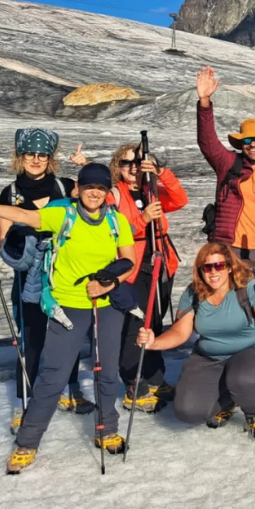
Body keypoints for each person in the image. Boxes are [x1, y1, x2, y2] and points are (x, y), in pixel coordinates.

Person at [0, 163, 137, 474]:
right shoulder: (64, 215)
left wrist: (109, 282)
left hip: (106, 306)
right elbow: (23, 216)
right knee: (53, 375)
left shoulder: (117, 221)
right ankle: (28, 441)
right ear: (79, 188)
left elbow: (128, 260)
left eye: (101, 188)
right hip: (68, 308)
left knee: (108, 372)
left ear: (106, 192)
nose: (94, 192)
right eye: (89, 186)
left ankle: (107, 430)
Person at [135, 244, 255, 439]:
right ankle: (231, 398)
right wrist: (153, 343)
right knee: (188, 411)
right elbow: (180, 333)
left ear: (229, 266)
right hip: (210, 357)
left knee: (243, 378)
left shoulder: (247, 286)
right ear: (200, 270)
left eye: (219, 265)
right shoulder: (194, 293)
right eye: (207, 267)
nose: (213, 272)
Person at [0, 128, 91, 432]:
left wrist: (84, 166)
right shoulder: (9, 194)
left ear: (50, 158)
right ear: (20, 155)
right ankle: (23, 402)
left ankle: (72, 390)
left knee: (69, 334)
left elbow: (99, 195)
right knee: (32, 339)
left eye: (42, 155)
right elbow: (3, 242)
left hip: (67, 276)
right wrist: (27, 242)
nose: (36, 160)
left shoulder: (65, 187)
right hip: (29, 280)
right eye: (30, 153)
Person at [107, 143, 188, 413]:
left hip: (161, 262)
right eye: (126, 163)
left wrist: (161, 172)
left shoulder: (150, 191)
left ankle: (155, 376)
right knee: (136, 324)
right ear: (117, 166)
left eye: (137, 163)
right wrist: (142, 219)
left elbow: (179, 200)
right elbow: (110, 231)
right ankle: (134, 383)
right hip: (133, 267)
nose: (132, 168)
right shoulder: (113, 195)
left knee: (155, 320)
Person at [195, 66, 255, 277]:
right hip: (227, 248)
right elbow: (207, 142)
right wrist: (204, 103)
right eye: (247, 140)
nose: (253, 144)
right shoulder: (228, 164)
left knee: (253, 304)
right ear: (240, 143)